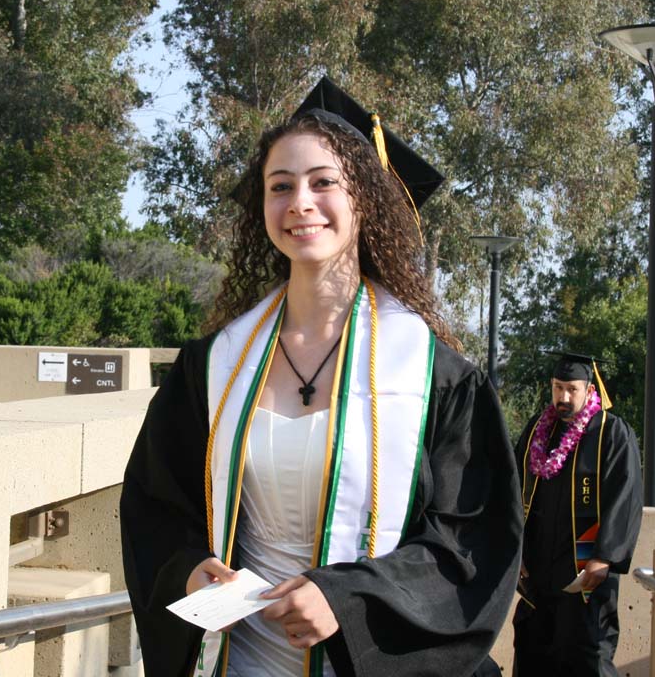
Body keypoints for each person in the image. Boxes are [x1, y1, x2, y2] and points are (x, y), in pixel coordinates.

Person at [120, 76, 523, 677]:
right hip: (239, 662)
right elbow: (155, 504)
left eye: (324, 182)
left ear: (365, 199)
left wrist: (347, 598)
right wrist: (187, 566)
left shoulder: (436, 376)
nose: (300, 203)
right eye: (280, 187)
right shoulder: (213, 366)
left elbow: (469, 548)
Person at [512, 352, 643, 676]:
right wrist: (515, 554)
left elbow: (624, 497)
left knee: (588, 657)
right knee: (534, 654)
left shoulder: (610, 434)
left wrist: (604, 556)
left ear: (589, 389)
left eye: (572, 389)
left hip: (586, 574)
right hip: (539, 573)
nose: (563, 397)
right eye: (558, 388)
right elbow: (513, 491)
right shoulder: (536, 433)